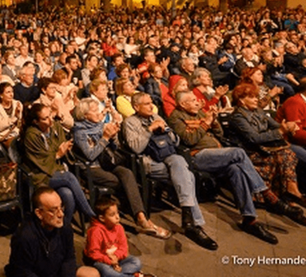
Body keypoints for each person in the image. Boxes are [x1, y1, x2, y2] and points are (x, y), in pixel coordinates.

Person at [167, 90, 288, 244]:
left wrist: (215, 122)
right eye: (192, 100)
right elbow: (189, 140)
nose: (198, 102)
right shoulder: (176, 118)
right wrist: (206, 123)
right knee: (239, 153)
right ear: (183, 104)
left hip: (216, 153)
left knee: (237, 169)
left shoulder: (198, 113)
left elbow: (220, 134)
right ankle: (267, 194)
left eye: (197, 99)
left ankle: (249, 219)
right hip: (197, 157)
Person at [123, 92, 217, 250]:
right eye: (146, 103)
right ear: (136, 107)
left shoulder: (157, 117)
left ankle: (189, 220)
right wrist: (150, 130)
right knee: (187, 176)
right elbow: (135, 148)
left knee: (179, 162)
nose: (151, 105)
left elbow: (176, 141)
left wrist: (167, 131)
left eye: (151, 102)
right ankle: (193, 223)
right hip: (149, 162)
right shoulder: (130, 122)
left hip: (167, 156)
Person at [71, 97, 170, 239]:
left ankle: (141, 218)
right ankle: (132, 217)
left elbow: (113, 149)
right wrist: (105, 138)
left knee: (127, 173)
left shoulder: (99, 126)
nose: (99, 113)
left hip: (106, 163)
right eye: (94, 111)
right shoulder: (80, 132)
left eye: (99, 110)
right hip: (91, 168)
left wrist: (113, 137)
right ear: (85, 115)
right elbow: (91, 155)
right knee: (120, 183)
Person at [227, 84, 306, 225]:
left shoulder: (258, 112)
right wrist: (279, 132)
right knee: (284, 155)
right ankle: (288, 197)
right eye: (251, 97)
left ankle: (288, 194)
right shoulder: (238, 117)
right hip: (249, 152)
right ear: (242, 101)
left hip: (265, 148)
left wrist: (288, 125)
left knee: (286, 153)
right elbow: (254, 138)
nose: (256, 99)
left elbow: (275, 125)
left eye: (256, 96)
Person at [21, 102, 96, 225]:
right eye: (45, 118)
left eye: (50, 115)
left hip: (56, 170)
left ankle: (62, 227)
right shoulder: (31, 135)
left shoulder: (55, 127)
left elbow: (62, 144)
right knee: (69, 178)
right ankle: (90, 215)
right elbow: (40, 159)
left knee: (68, 194)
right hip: (40, 175)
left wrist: (64, 149)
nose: (50, 120)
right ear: (35, 122)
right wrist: (57, 154)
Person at [6, 186, 99, 277]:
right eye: (53, 210)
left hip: (57, 271)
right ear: (39, 213)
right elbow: (23, 272)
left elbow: (69, 258)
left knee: (92, 274)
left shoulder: (64, 226)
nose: (61, 214)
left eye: (61, 207)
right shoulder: (25, 237)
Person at [84, 196, 154, 277]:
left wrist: (116, 258)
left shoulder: (119, 228)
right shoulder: (96, 231)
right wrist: (109, 261)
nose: (117, 217)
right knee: (105, 270)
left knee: (136, 262)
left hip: (117, 261)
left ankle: (118, 275)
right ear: (102, 218)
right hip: (101, 262)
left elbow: (123, 248)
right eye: (112, 215)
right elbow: (93, 253)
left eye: (117, 213)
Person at [0, 81, 24, 148]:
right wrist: (15, 118)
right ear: (1, 95)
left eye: (12, 92)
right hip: (4, 136)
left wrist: (19, 116)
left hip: (17, 134)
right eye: (8, 92)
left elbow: (19, 125)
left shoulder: (17, 104)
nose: (11, 94)